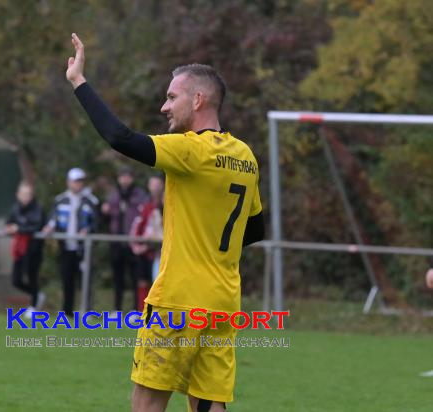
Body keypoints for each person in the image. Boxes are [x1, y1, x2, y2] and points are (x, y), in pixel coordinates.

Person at [66, 34, 265, 412]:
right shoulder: (245, 156)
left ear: (198, 100)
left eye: (172, 97)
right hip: (222, 301)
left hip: (178, 300)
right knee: (209, 405)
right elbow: (255, 230)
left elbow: (120, 138)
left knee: (147, 403)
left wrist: (79, 81)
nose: (164, 106)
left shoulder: (192, 150)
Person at [43, 168, 98, 317]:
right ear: (68, 182)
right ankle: (67, 312)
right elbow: (53, 219)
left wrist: (88, 230)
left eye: (80, 181)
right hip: (65, 247)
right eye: (75, 181)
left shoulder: (90, 201)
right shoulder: (60, 200)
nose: (78, 184)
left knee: (85, 280)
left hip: (83, 248)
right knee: (67, 280)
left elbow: (96, 223)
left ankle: (87, 311)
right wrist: (49, 227)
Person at [102, 166, 148, 315]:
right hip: (116, 243)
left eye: (127, 176)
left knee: (136, 278)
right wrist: (104, 212)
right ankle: (117, 309)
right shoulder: (113, 196)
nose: (125, 179)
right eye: (122, 176)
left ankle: (136, 310)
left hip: (133, 243)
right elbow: (105, 219)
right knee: (118, 279)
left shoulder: (140, 195)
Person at [6, 181, 47, 318]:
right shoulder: (15, 208)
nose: (26, 197)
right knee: (16, 280)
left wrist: (19, 228)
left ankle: (33, 305)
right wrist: (9, 228)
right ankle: (37, 295)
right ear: (18, 195)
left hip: (33, 249)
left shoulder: (37, 208)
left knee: (32, 277)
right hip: (20, 249)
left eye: (28, 194)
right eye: (23, 194)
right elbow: (9, 221)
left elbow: (36, 226)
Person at [130, 175, 165, 312]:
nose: (155, 187)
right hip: (147, 250)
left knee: (159, 283)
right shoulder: (145, 205)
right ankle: (142, 311)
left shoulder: (168, 205)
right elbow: (137, 225)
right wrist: (137, 245)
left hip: (164, 250)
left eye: (157, 184)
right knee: (143, 281)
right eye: (152, 184)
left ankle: (160, 312)